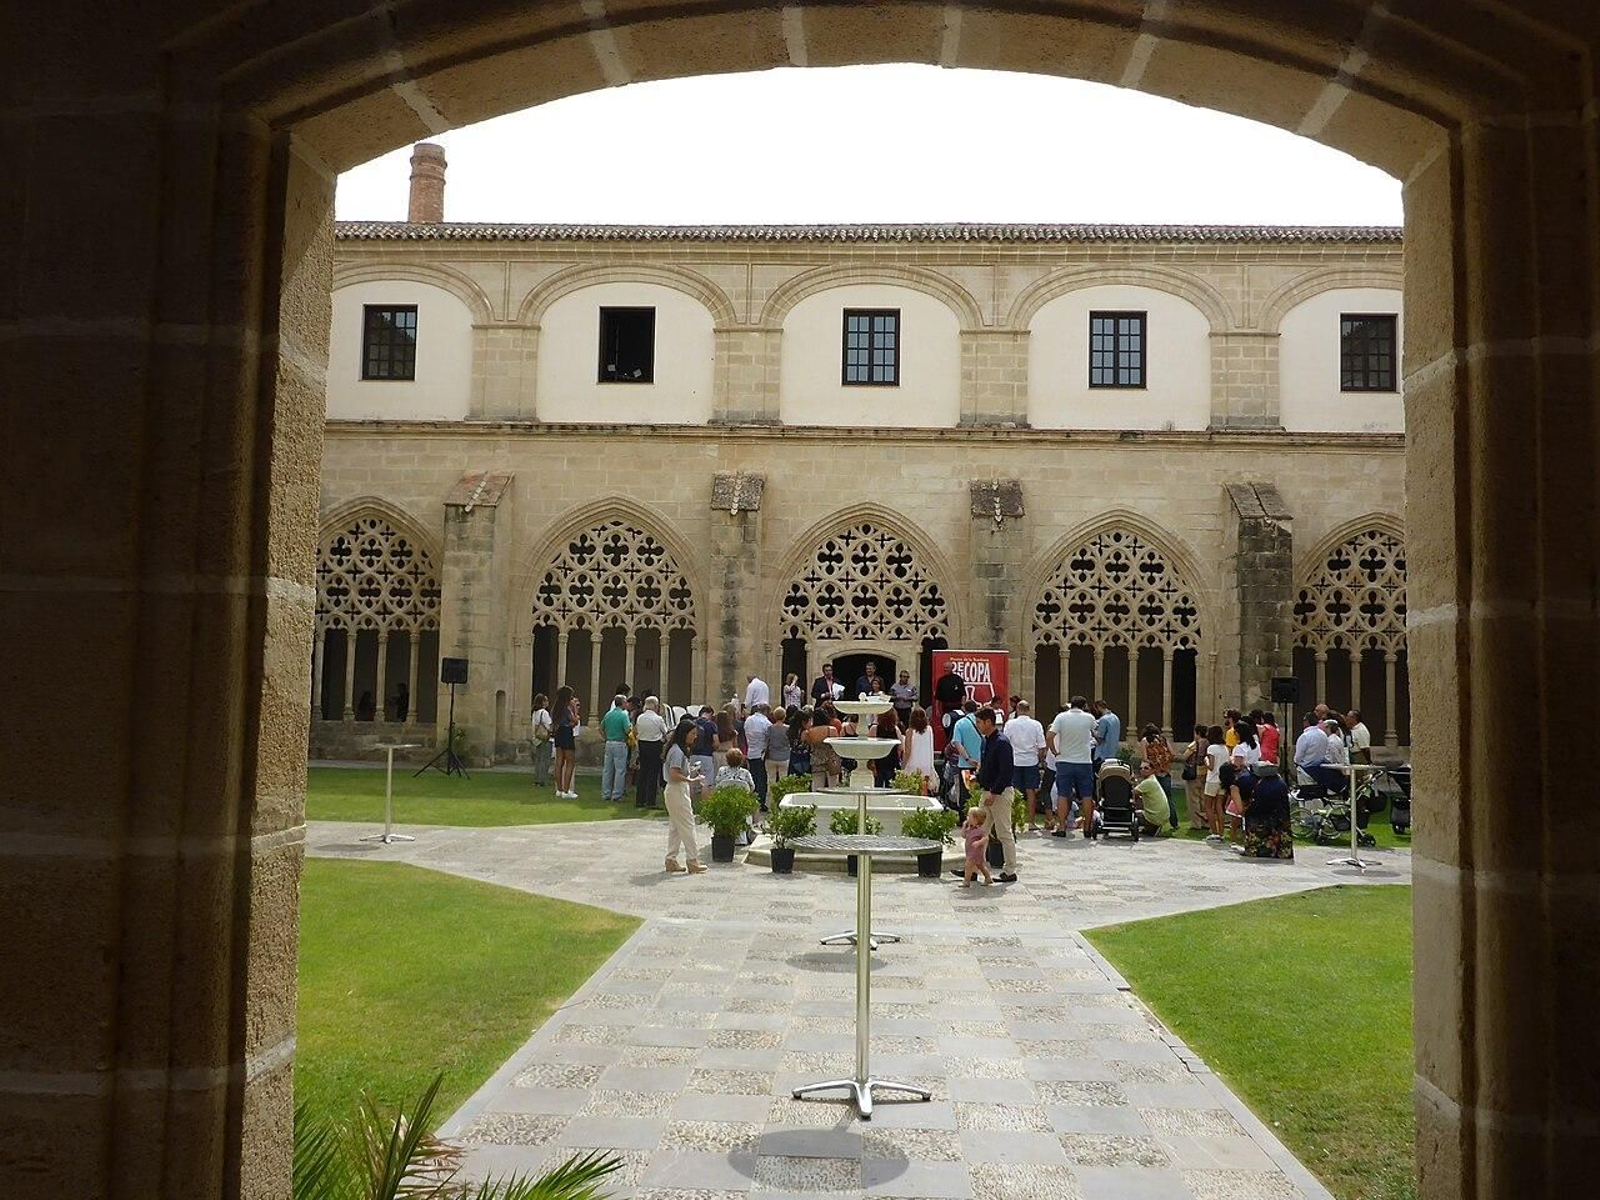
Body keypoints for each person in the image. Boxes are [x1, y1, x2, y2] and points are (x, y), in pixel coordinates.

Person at [974, 707, 1018, 882]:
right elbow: (987, 766)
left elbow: (1006, 771)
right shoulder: (986, 741)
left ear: (988, 722)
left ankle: (1010, 870)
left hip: (999, 793)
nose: (977, 725)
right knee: (978, 831)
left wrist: (995, 792)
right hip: (988, 792)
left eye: (979, 722)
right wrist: (978, 777)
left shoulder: (1002, 742)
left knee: (1003, 833)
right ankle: (973, 868)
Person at [1048, 696, 1096, 838]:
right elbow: (1097, 733)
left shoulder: (1061, 717)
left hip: (1065, 761)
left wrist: (1054, 751)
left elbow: (1049, 735)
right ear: (1084, 706)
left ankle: (1062, 827)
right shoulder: (1089, 718)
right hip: (1084, 762)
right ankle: (1087, 827)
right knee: (1087, 795)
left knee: (1063, 794)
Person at [662, 719, 706, 874]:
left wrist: (690, 772)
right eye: (692, 733)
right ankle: (692, 860)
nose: (695, 736)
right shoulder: (677, 751)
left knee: (676, 826)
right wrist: (691, 780)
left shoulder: (678, 749)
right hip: (677, 790)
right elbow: (674, 774)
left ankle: (671, 859)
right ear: (684, 734)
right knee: (688, 825)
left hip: (676, 789)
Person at [1003, 700, 1047, 832]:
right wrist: (1040, 759)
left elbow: (1005, 742)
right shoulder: (1036, 724)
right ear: (1028, 710)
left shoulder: (1010, 724)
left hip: (1015, 760)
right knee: (1031, 791)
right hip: (1031, 761)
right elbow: (1042, 746)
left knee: (1014, 791)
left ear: (1017, 709)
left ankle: (1013, 822)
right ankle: (1031, 822)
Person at [1240, 761, 1295, 859]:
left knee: (1255, 820)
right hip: (1280, 811)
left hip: (1261, 810)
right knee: (1280, 825)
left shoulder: (1253, 781)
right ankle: (1283, 851)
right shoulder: (1280, 781)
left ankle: (1255, 849)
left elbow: (1250, 805)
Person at [1139, 723, 1175, 830]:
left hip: (1153, 772)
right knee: (1169, 797)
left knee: (1153, 797)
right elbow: (1172, 754)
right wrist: (1164, 764)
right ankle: (1174, 822)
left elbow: (1145, 758)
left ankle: (1154, 822)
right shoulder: (1163, 739)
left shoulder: (1145, 741)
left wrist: (1152, 766)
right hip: (1165, 772)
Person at [634, 696, 668, 808]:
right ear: (656, 706)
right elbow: (665, 732)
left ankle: (640, 800)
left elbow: (637, 730)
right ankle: (650, 801)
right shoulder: (658, 719)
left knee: (643, 773)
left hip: (642, 745)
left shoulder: (640, 718)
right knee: (653, 774)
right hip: (654, 746)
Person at [949, 699, 983, 808]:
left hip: (965, 765)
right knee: (979, 793)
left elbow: (958, 744)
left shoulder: (960, 724)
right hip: (981, 765)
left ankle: (966, 815)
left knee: (966, 794)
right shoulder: (982, 722)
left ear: (964, 709)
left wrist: (967, 758)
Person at [600, 694, 632, 802]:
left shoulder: (608, 714)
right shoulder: (623, 715)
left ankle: (606, 793)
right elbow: (627, 730)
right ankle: (617, 794)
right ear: (622, 703)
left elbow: (601, 728)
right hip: (620, 743)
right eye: (625, 702)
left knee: (607, 769)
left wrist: (606, 738)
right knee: (620, 770)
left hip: (609, 743)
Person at [1203, 723, 1229, 843]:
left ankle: (1214, 832)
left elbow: (1211, 766)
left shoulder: (1211, 748)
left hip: (1212, 780)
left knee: (1208, 806)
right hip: (1222, 780)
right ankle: (1221, 833)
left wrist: (1206, 761)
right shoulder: (1225, 748)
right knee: (1219, 806)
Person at [552, 685, 579, 799]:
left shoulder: (555, 708)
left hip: (558, 733)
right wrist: (575, 709)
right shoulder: (566, 708)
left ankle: (559, 789)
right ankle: (566, 790)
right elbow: (575, 720)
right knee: (570, 762)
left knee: (559, 761)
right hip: (566, 733)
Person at [804, 707, 842, 788]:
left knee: (817, 786)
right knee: (833, 786)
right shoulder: (832, 729)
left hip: (816, 760)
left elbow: (808, 744)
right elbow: (837, 745)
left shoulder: (810, 731)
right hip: (831, 760)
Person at [902, 705, 936, 794]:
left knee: (912, 792)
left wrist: (903, 767)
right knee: (923, 791)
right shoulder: (929, 729)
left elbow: (908, 752)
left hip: (912, 765)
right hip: (926, 765)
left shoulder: (909, 731)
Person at [744, 702, 771, 810]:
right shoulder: (766, 722)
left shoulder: (748, 720)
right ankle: (760, 802)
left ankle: (752, 799)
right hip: (761, 753)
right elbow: (768, 738)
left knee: (752, 777)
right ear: (765, 711)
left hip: (751, 751)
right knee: (762, 779)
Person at [1182, 723, 1208, 831]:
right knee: (1203, 799)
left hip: (1194, 773)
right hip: (1205, 773)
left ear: (1197, 733)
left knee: (1193, 799)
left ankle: (1196, 823)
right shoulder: (1208, 743)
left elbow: (1185, 756)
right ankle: (1205, 822)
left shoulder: (1194, 744)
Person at [1134, 760, 1171, 834]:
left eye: (1146, 768)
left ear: (1153, 770)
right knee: (1140, 801)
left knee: (1131, 815)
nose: (1142, 770)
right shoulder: (1152, 779)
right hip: (1162, 816)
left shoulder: (1148, 782)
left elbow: (1133, 793)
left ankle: (1152, 826)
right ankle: (1151, 829)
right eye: (1141, 768)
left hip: (1156, 817)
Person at [961, 805, 993, 888]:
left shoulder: (980, 830)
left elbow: (986, 838)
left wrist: (979, 842)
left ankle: (966, 881)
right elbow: (963, 835)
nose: (967, 818)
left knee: (968, 866)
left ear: (976, 819)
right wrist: (964, 826)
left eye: (969, 816)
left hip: (975, 852)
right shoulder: (970, 829)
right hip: (970, 851)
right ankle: (988, 878)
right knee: (980, 866)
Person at [692, 705, 719, 800]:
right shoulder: (711, 724)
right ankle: (705, 804)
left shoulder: (693, 723)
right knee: (706, 782)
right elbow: (716, 742)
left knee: (692, 781)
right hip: (707, 756)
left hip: (693, 755)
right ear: (710, 713)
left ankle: (689, 804)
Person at [872, 708, 902, 787]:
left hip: (878, 762)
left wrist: (872, 763)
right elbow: (900, 747)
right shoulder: (896, 730)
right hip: (892, 762)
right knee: (891, 787)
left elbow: (870, 747)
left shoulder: (875, 729)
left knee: (877, 787)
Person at [764, 706, 791, 791]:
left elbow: (766, 741)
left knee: (771, 781)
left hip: (771, 756)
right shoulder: (788, 728)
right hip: (784, 757)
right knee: (783, 780)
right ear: (784, 716)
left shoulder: (770, 728)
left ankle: (770, 798)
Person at [529, 693, 552, 788]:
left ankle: (537, 780)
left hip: (537, 738)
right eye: (545, 700)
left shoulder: (535, 712)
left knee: (538, 759)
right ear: (542, 702)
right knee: (545, 760)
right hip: (544, 738)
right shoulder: (544, 712)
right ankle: (542, 780)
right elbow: (548, 726)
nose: (547, 702)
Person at [1091, 700, 1122, 771]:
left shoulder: (1104, 720)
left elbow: (1099, 739)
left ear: (1098, 707)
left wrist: (1092, 731)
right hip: (1112, 753)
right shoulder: (1115, 717)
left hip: (1102, 755)